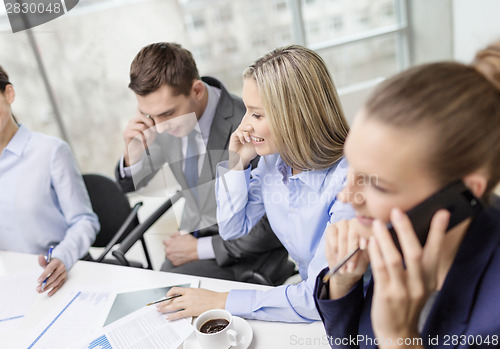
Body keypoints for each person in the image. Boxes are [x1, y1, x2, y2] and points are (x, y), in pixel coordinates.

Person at [314, 42, 500, 348]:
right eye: (352, 167)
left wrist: (401, 339)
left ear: (464, 192)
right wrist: (343, 283)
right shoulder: (400, 235)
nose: (347, 196)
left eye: (378, 184)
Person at [158, 45, 354, 322]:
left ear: (295, 116)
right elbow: (232, 228)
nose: (244, 125)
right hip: (310, 303)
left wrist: (221, 301)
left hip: (354, 313)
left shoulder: (349, 181)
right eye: (247, 111)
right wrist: (235, 164)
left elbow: (319, 296)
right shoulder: (276, 162)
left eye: (256, 114)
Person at [115, 42, 292, 284]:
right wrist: (132, 154)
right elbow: (131, 185)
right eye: (149, 115)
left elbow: (273, 221)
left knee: (166, 291)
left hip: (246, 253)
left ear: (197, 91)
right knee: (156, 289)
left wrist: (200, 248)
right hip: (194, 239)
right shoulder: (163, 121)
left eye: (166, 114)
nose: (158, 126)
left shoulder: (251, 123)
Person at [0, 64, 99, 296]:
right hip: (13, 284)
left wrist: (62, 257)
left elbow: (85, 220)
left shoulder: (51, 151)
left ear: (9, 94)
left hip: (60, 274)